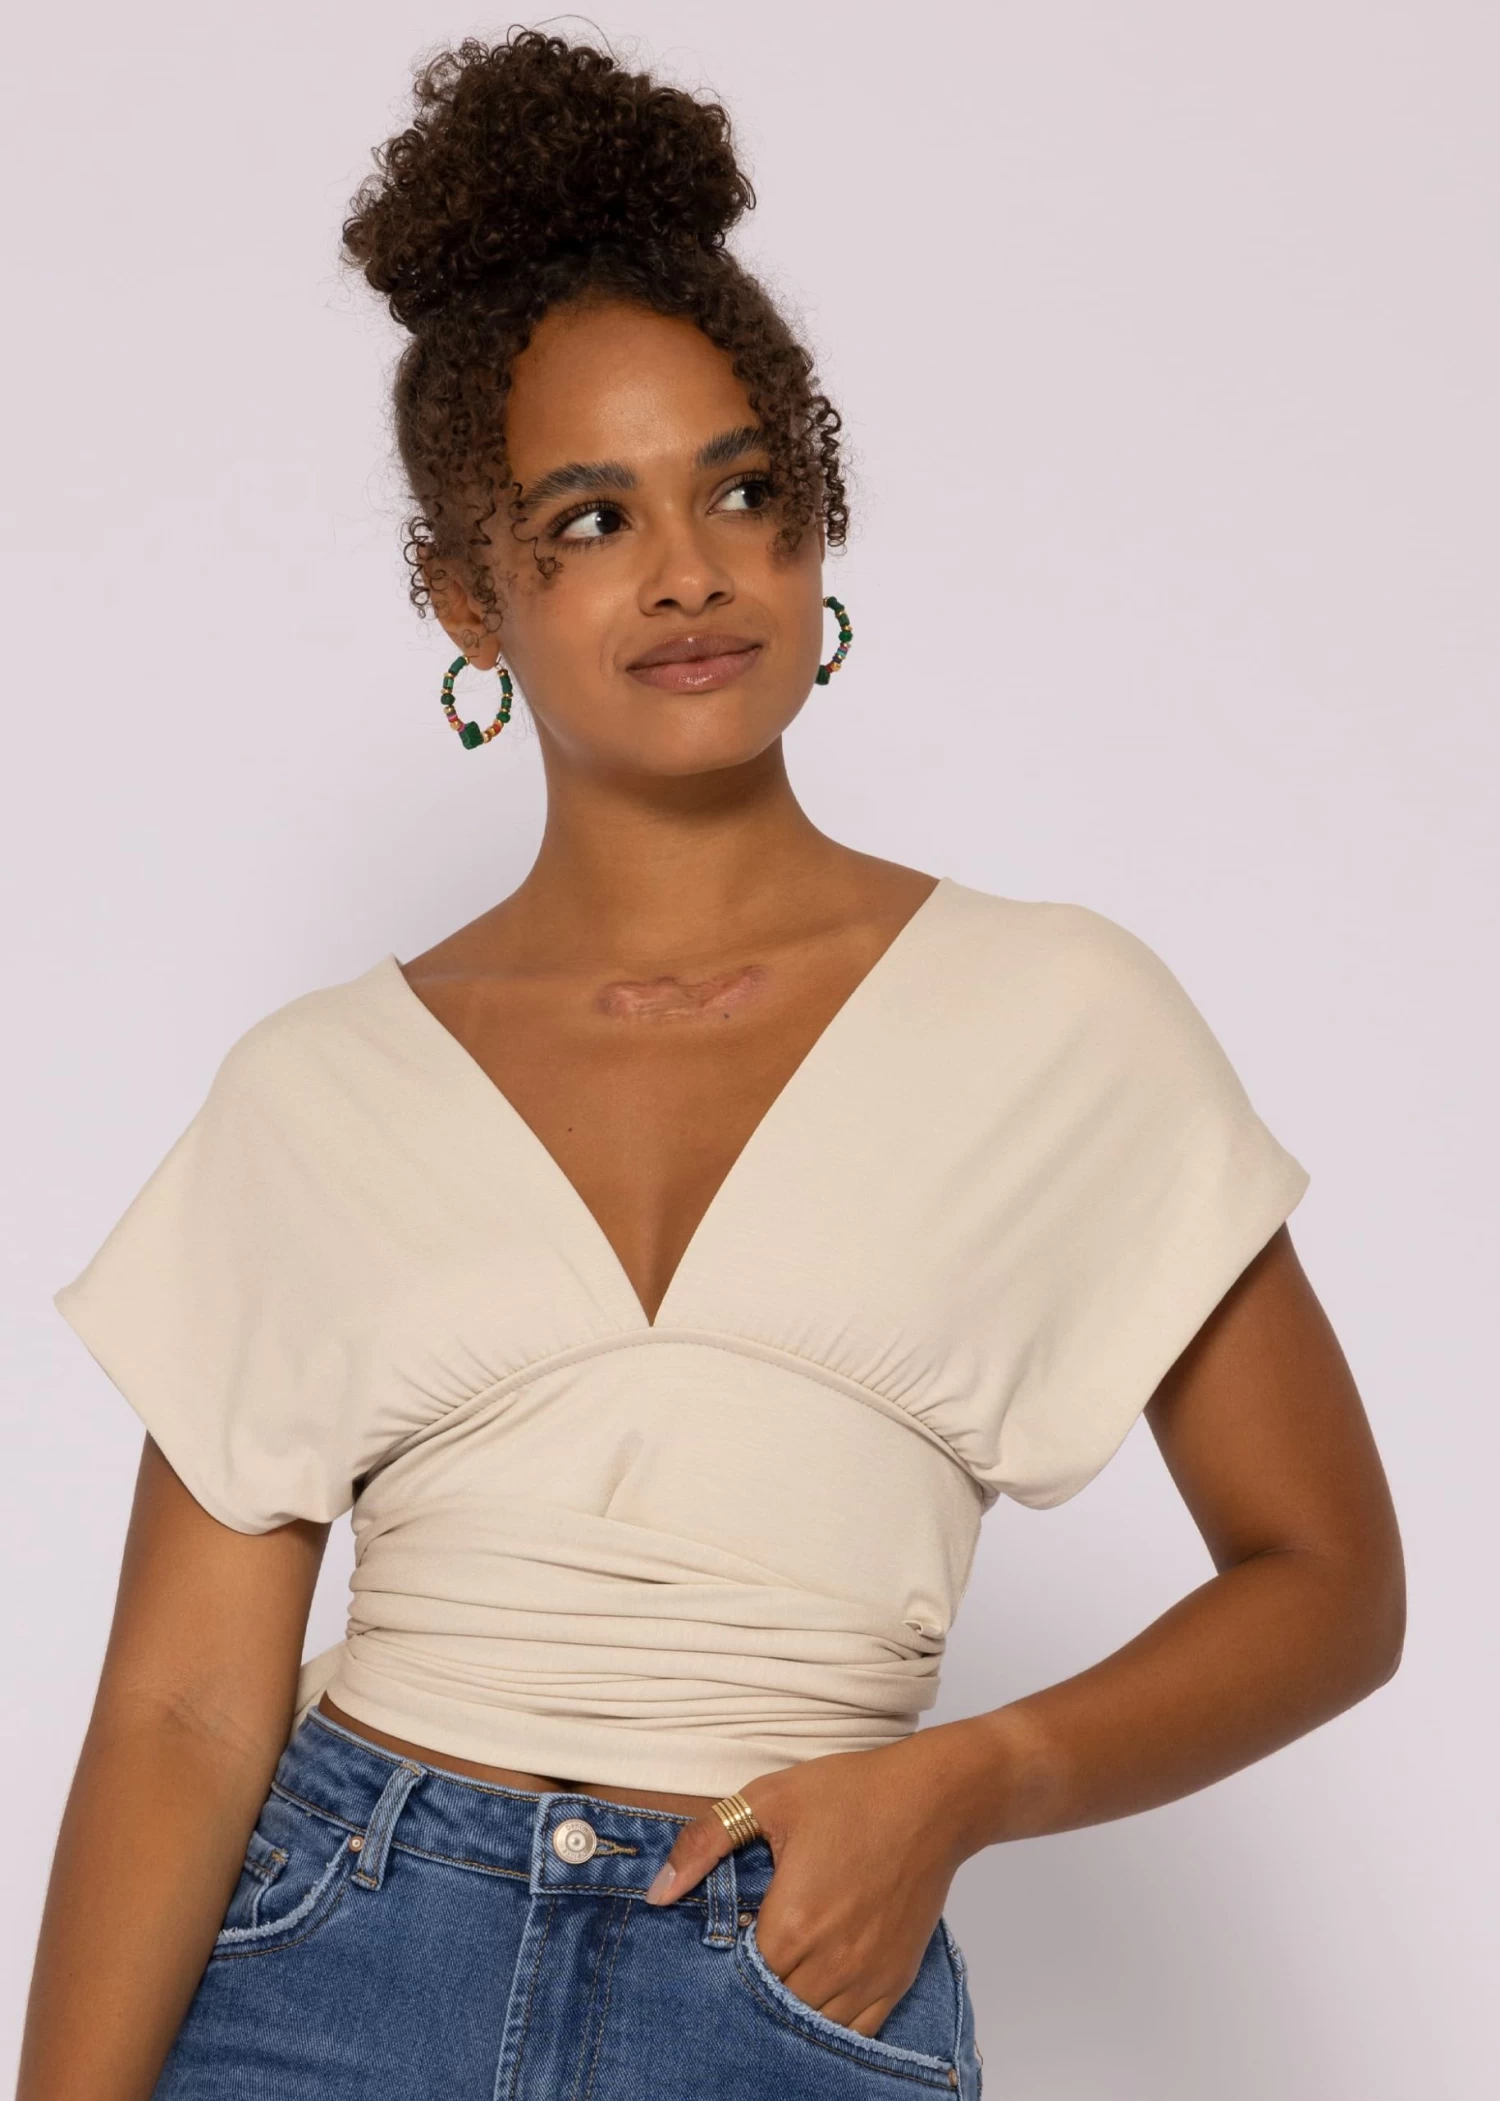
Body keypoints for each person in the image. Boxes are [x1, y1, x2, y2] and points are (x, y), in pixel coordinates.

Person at [19, 29, 1405, 2100]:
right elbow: (184, 1718)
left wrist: (968, 1783)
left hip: (783, 1979)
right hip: (332, 1971)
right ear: (467, 595)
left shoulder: (1058, 1018)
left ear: (816, 529)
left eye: (745, 491)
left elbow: (1331, 1584)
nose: (689, 571)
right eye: (589, 520)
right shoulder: (319, 1088)